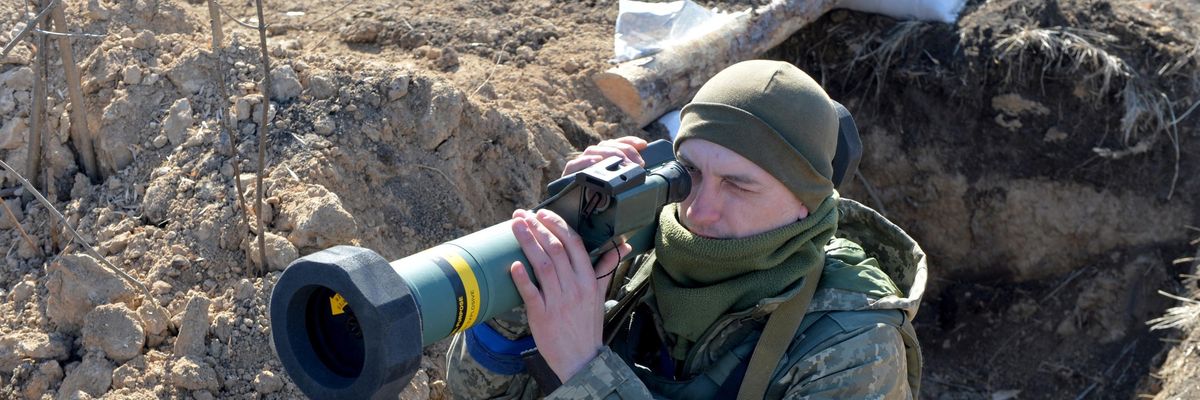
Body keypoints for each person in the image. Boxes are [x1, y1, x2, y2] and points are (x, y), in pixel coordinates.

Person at [446, 60, 927, 399]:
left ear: (806, 202)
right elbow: (473, 393)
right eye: (690, 173)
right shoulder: (632, 256)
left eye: (738, 185)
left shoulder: (854, 345)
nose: (699, 211)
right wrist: (553, 251)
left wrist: (584, 371)